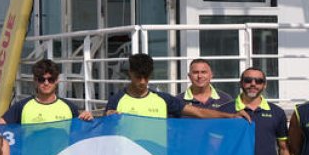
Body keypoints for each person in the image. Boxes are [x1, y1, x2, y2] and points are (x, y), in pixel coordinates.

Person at [100, 54, 249, 121]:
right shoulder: (116, 99)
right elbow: (103, 132)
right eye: (139, 77)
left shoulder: (163, 99)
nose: (143, 82)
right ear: (130, 74)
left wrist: (231, 116)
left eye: (146, 77)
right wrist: (105, 118)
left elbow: (199, 113)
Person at [2, 59, 91, 124]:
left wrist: (87, 118)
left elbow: (81, 131)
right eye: (41, 79)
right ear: (35, 80)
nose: (46, 83)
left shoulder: (69, 107)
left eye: (51, 79)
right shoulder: (21, 107)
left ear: (57, 80)